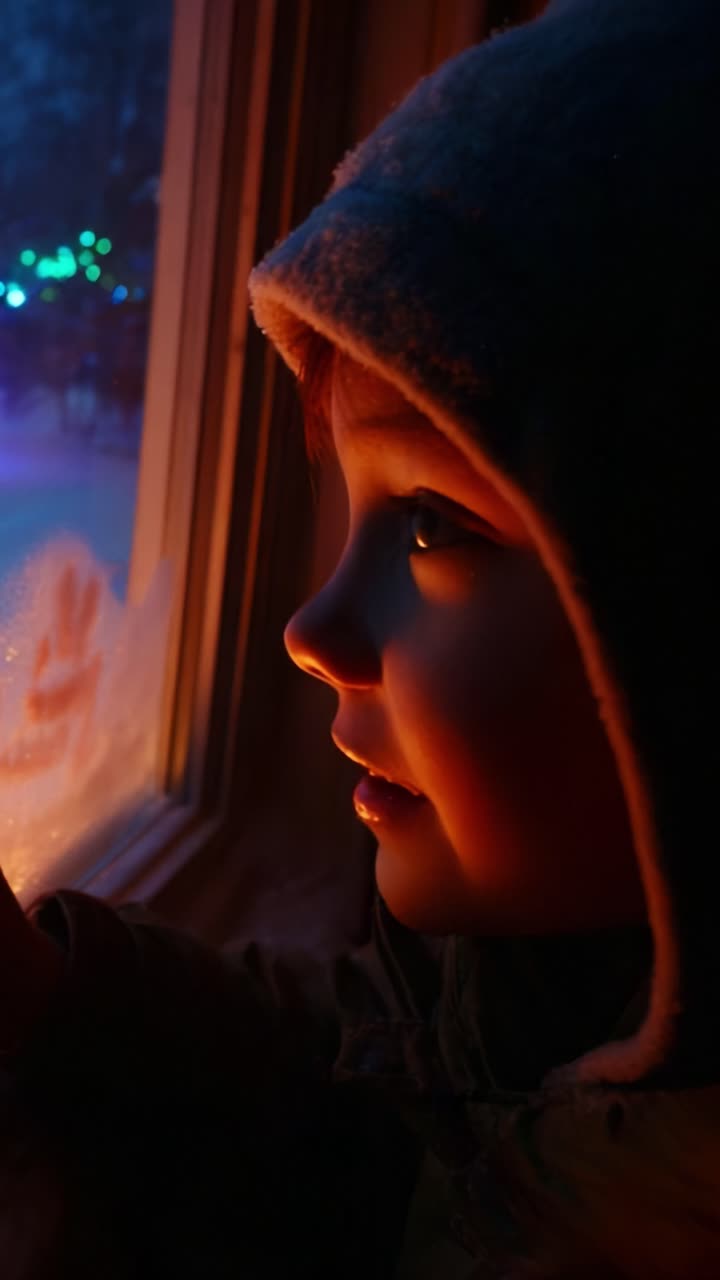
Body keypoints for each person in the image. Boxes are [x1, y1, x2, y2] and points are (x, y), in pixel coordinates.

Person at [2, 0, 720, 1273]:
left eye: (435, 526)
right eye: (352, 518)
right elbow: (363, 1119)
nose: (310, 627)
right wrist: (54, 998)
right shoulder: (512, 978)